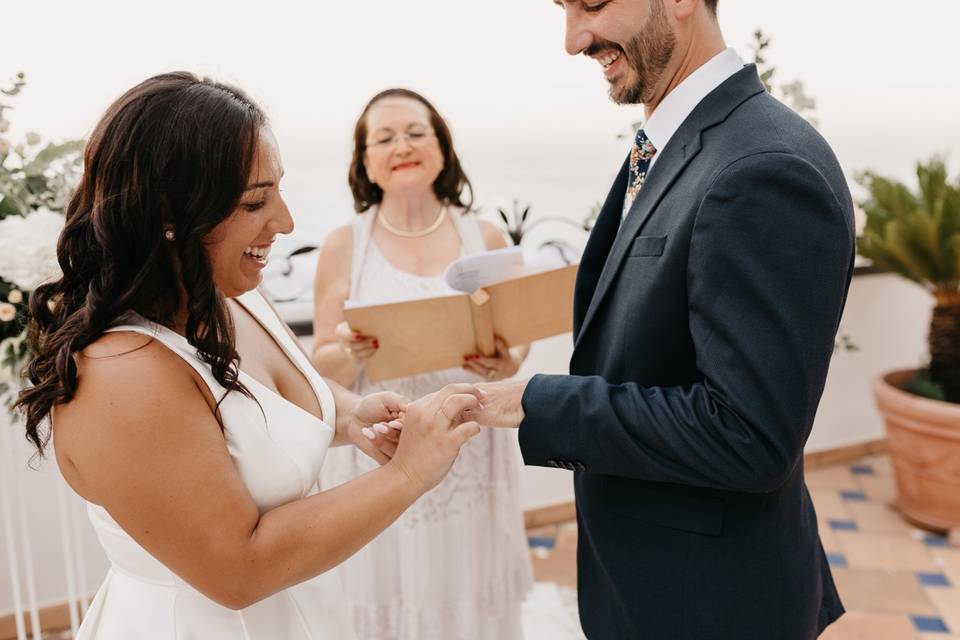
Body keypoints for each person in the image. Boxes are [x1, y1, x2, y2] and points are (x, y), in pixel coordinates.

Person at [15, 72, 484, 640]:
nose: (285, 222)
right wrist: (410, 473)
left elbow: (271, 397)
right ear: (170, 215)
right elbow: (240, 569)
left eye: (278, 190)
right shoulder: (123, 374)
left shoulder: (234, 291)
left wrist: (351, 416)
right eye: (255, 201)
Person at [473, 1, 855, 638]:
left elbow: (749, 436)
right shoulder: (680, 139)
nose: (574, 39)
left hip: (710, 605)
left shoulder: (762, 167)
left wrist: (536, 402)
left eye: (592, 4)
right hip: (655, 587)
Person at [311, 88, 533, 639]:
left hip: (470, 443)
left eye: (416, 132)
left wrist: (503, 357)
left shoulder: (483, 235)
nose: (402, 146)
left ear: (441, 146)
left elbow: (517, 343)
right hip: (384, 447)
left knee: (468, 590)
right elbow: (319, 366)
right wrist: (348, 351)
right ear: (365, 162)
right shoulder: (343, 245)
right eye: (383, 138)